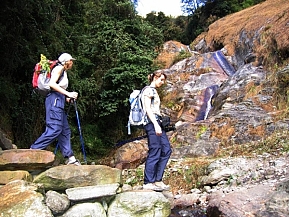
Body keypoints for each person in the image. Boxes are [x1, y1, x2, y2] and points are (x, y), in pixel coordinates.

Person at [30, 53, 81, 165]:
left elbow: (58, 88)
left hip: (59, 100)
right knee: (55, 128)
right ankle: (33, 150)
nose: (72, 62)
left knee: (64, 130)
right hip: (54, 101)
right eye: (71, 61)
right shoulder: (59, 68)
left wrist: (67, 98)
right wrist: (69, 93)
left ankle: (70, 157)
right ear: (66, 61)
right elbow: (52, 84)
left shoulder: (63, 70)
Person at [142, 70, 172, 191]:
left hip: (157, 123)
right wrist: (155, 124)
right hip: (151, 123)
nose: (162, 82)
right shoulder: (148, 90)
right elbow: (148, 109)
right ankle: (148, 182)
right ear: (155, 77)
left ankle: (158, 180)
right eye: (161, 79)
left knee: (166, 149)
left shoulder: (154, 91)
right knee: (155, 150)